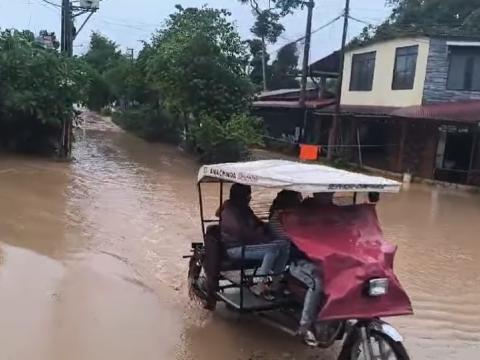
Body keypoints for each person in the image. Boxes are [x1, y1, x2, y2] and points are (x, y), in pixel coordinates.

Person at [220, 184, 289, 297]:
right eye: (248, 195)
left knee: (284, 244)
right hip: (235, 248)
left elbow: (257, 223)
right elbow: (243, 234)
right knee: (272, 249)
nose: (250, 198)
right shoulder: (229, 212)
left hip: (249, 245)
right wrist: (261, 233)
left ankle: (276, 282)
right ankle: (260, 285)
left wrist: (269, 227)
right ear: (240, 196)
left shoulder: (245, 209)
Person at [289, 192, 335, 346]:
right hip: (300, 260)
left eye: (331, 193)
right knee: (318, 281)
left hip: (328, 260)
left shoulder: (335, 212)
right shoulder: (305, 212)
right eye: (327, 193)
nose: (330, 196)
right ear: (318, 193)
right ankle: (305, 326)